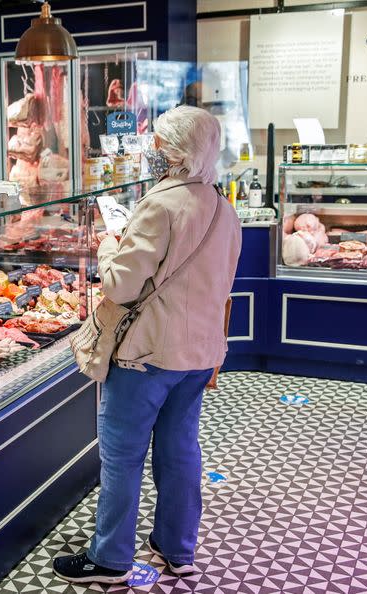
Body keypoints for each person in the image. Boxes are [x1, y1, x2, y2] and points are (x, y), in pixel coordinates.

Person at [53, 106, 242, 584]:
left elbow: (120, 285)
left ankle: (110, 559)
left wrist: (107, 244)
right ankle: (177, 546)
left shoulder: (160, 205)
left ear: (176, 152)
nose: (151, 151)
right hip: (199, 354)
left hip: (146, 356)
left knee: (122, 457)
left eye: (156, 143)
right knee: (181, 450)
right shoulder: (223, 207)